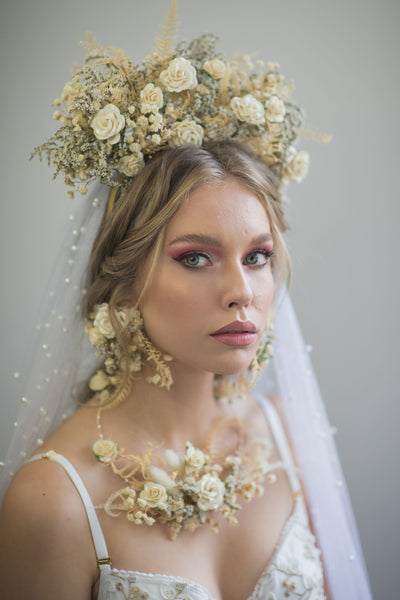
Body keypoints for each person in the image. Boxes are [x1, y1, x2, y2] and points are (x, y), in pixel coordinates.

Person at [0, 5, 372, 599]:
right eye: (195, 257)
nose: (241, 292)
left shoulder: (288, 437)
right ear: (123, 278)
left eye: (257, 256)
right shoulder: (53, 502)